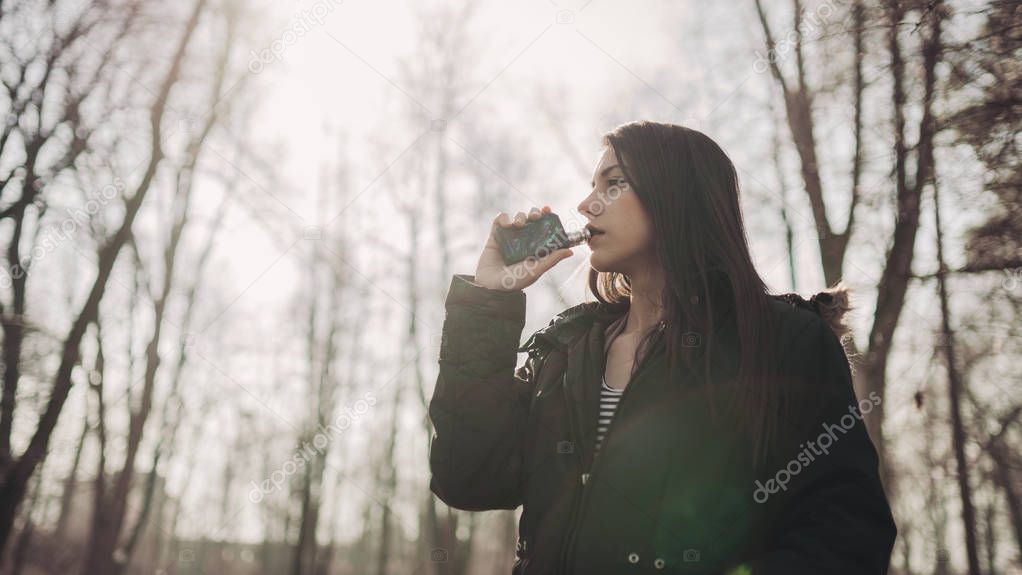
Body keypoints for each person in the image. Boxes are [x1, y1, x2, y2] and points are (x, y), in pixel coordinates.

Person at [428, 120, 897, 574]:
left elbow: (846, 538)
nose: (586, 204)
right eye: (592, 185)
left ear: (676, 196)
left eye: (613, 183)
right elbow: (469, 478)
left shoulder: (784, 343)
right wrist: (490, 298)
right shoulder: (568, 352)